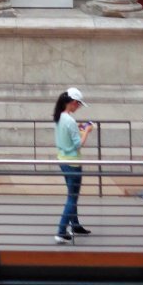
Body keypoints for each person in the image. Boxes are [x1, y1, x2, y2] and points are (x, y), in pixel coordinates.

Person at [52, 86, 94, 244]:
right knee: (72, 198)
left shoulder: (59, 117)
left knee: (71, 194)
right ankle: (61, 231)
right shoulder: (70, 120)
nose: (78, 107)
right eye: (78, 104)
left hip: (62, 160)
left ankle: (74, 225)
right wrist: (86, 131)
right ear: (72, 102)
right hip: (73, 162)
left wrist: (79, 129)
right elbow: (78, 144)